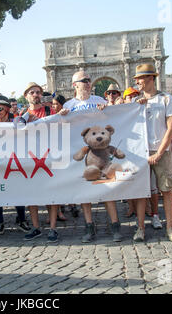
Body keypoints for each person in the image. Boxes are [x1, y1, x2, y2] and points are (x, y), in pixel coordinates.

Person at [61, 71, 122, 243]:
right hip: (81, 155)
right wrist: (63, 118)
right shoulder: (68, 105)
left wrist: (107, 111)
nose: (88, 83)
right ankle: (89, 226)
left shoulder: (99, 101)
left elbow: (114, 121)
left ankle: (115, 225)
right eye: (84, 80)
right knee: (84, 192)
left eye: (89, 80)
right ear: (75, 85)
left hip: (101, 154)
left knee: (107, 189)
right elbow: (64, 130)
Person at [132, 63, 172, 242]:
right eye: (136, 79)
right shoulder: (134, 102)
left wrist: (159, 152)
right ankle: (140, 227)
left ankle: (170, 227)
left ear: (151, 78)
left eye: (140, 78)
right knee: (141, 191)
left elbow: (171, 128)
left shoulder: (166, 98)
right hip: (141, 152)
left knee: (167, 190)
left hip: (162, 152)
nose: (137, 82)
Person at [22, 82, 59, 243]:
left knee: (51, 195)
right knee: (32, 196)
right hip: (30, 159)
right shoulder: (22, 115)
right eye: (32, 92)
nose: (36, 95)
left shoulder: (50, 111)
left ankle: (52, 228)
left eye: (38, 92)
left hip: (49, 158)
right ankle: (36, 228)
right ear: (26, 96)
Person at [0, 95, 31, 234]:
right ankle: (0, 223)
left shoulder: (16, 121)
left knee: (17, 192)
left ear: (7, 108)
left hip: (15, 162)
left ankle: (22, 220)